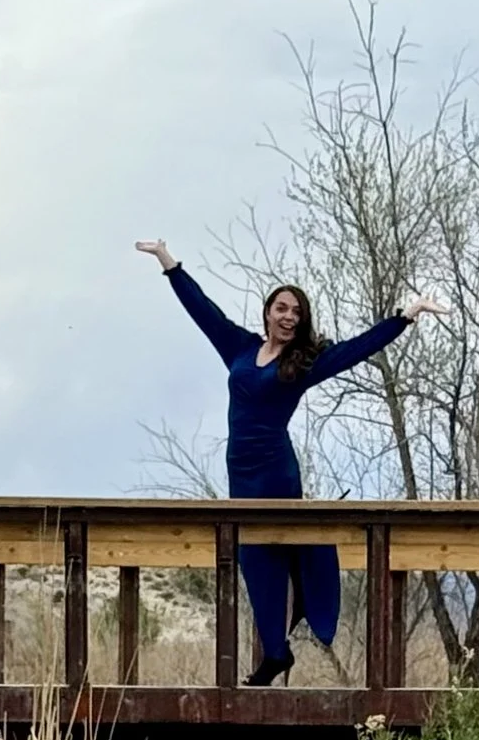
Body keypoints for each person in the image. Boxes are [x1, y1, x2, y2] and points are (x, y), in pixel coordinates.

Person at [137, 239, 443, 682]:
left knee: (278, 543)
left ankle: (304, 597)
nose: (288, 316)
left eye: (296, 312)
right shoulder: (239, 348)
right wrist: (169, 262)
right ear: (267, 312)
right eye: (282, 308)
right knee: (252, 557)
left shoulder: (303, 363)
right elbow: (203, 311)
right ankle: (276, 651)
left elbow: (356, 349)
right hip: (240, 471)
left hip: (275, 471)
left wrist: (405, 316)